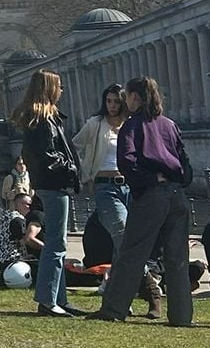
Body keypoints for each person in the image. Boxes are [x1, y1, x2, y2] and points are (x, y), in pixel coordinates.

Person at [88, 76, 192, 327]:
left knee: (132, 253)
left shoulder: (132, 127)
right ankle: (181, 315)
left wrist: (147, 181)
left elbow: (128, 162)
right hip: (177, 193)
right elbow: (185, 162)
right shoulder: (169, 125)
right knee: (177, 257)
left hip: (151, 195)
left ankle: (114, 308)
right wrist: (178, 179)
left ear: (135, 97)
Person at [13, 68, 84, 318]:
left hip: (51, 183)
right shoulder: (43, 121)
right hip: (54, 184)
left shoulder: (43, 119)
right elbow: (46, 156)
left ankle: (58, 298)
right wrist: (71, 168)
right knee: (56, 243)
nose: (62, 90)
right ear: (50, 89)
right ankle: (47, 299)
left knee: (58, 243)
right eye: (59, 86)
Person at [72, 84, 129, 279]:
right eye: (108, 101)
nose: (112, 106)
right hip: (104, 184)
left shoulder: (129, 124)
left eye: (116, 102)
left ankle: (112, 281)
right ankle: (143, 279)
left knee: (124, 234)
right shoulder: (95, 124)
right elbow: (74, 145)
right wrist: (85, 172)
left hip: (129, 185)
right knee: (121, 230)